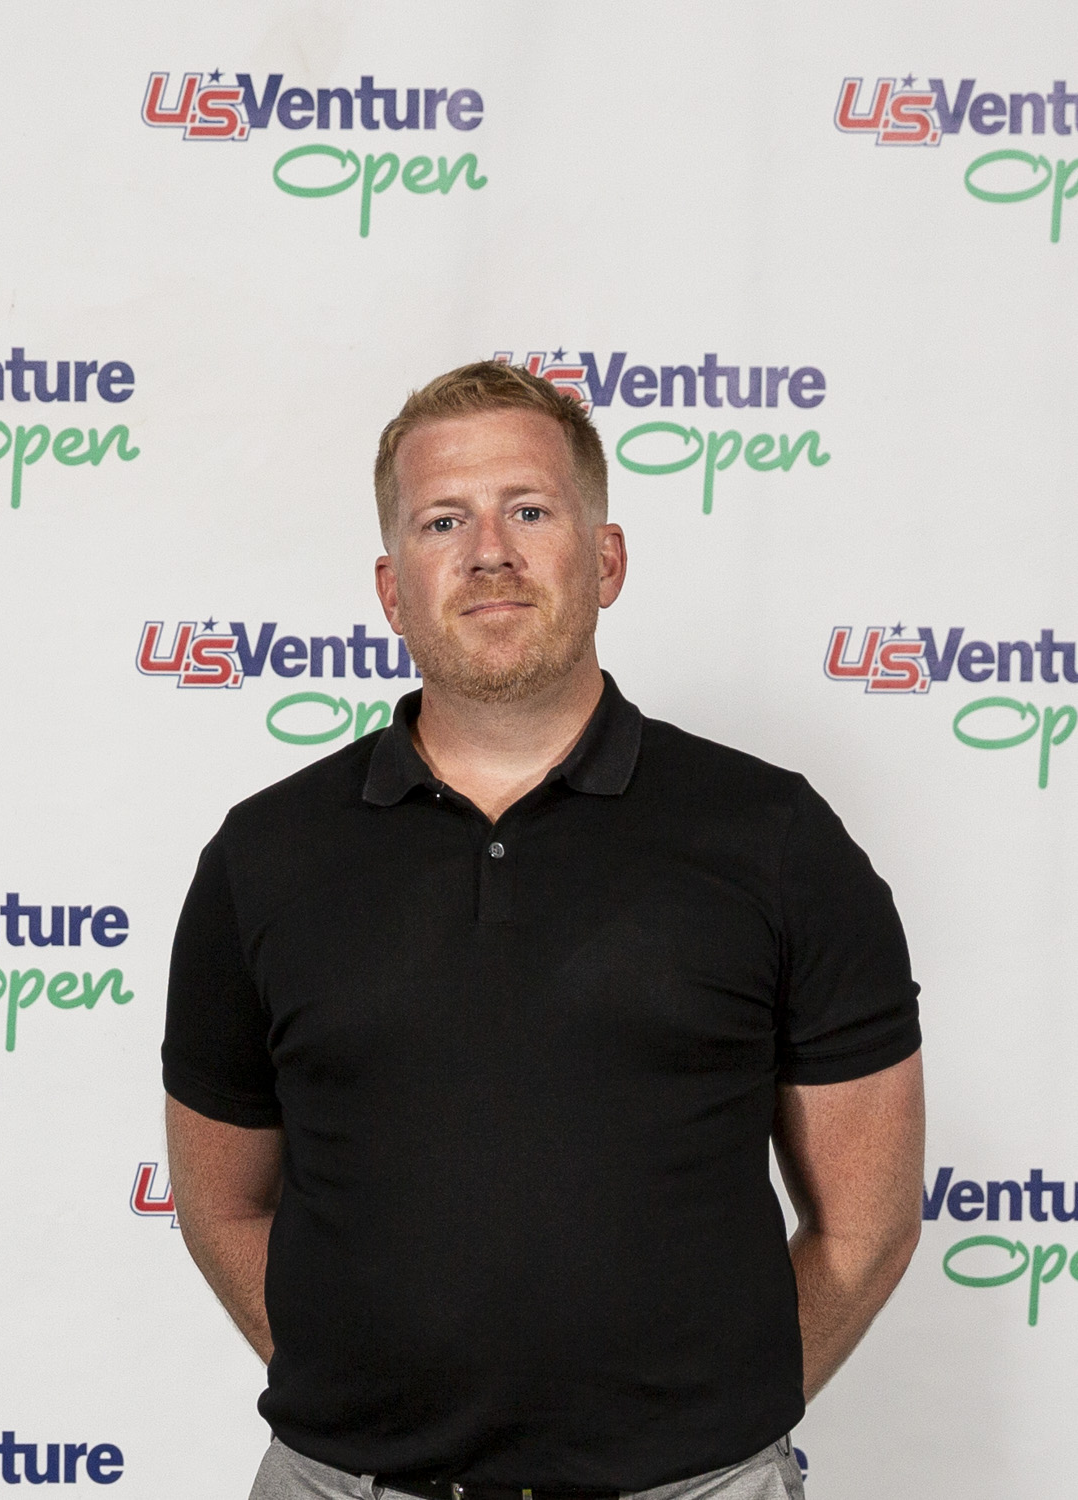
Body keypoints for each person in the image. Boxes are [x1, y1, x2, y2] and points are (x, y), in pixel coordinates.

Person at [162, 361, 924, 1500]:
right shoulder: (263, 857)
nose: (489, 553)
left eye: (528, 511)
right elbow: (221, 1202)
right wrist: (366, 1409)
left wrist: (713, 1435)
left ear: (605, 560)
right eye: (442, 521)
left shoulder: (774, 838)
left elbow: (866, 1226)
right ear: (392, 588)